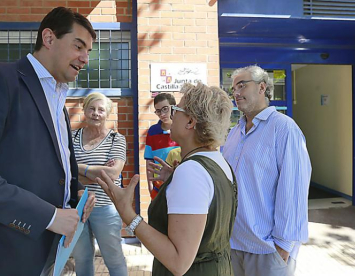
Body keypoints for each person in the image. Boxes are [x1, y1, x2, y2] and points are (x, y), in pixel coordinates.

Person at [97, 83, 238, 275]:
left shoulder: (191, 172)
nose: (171, 116)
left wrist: (127, 213)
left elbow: (178, 262)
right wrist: (175, 180)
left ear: (190, 122)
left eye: (176, 110)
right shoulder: (218, 161)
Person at [0, 7, 96, 276]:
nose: (85, 58)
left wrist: (73, 196)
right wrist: (51, 217)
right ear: (49, 38)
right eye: (79, 46)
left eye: (88, 51)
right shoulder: (5, 81)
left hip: (49, 255)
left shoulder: (59, 101)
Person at [222, 65, 312, 276]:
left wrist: (282, 243)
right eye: (233, 88)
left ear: (262, 87)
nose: (236, 93)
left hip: (267, 249)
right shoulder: (234, 132)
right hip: (233, 244)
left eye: (242, 86)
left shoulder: (284, 128)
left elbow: (294, 188)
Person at [72, 92, 128, 276]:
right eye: (92, 108)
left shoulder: (116, 139)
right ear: (85, 110)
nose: (96, 113)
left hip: (105, 207)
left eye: (101, 110)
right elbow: (64, 172)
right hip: (77, 207)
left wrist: (77, 167)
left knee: (113, 258)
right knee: (82, 258)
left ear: (107, 113)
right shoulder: (71, 138)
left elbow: (112, 174)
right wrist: (98, 171)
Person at [145, 93, 179, 199]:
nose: (162, 114)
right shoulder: (152, 131)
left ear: (173, 107)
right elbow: (149, 161)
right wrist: (150, 186)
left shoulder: (183, 129)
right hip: (159, 187)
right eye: (158, 111)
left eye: (165, 109)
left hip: (179, 183)